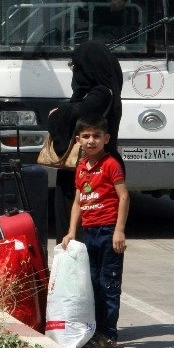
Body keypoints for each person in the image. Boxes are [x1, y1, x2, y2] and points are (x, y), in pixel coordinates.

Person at [61, 116, 129, 348]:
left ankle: (109, 335)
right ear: (78, 140)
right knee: (92, 284)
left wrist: (119, 230)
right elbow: (78, 203)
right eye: (87, 136)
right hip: (89, 233)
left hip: (109, 231)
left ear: (106, 139)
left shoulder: (110, 164)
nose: (92, 141)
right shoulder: (81, 168)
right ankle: (95, 330)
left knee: (109, 284)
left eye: (97, 136)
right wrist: (71, 232)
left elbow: (123, 197)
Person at [46, 41, 123, 239]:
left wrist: (58, 113)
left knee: (83, 223)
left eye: (77, 66)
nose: (76, 72)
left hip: (91, 169)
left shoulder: (101, 93)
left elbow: (80, 113)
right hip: (82, 167)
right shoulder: (100, 91)